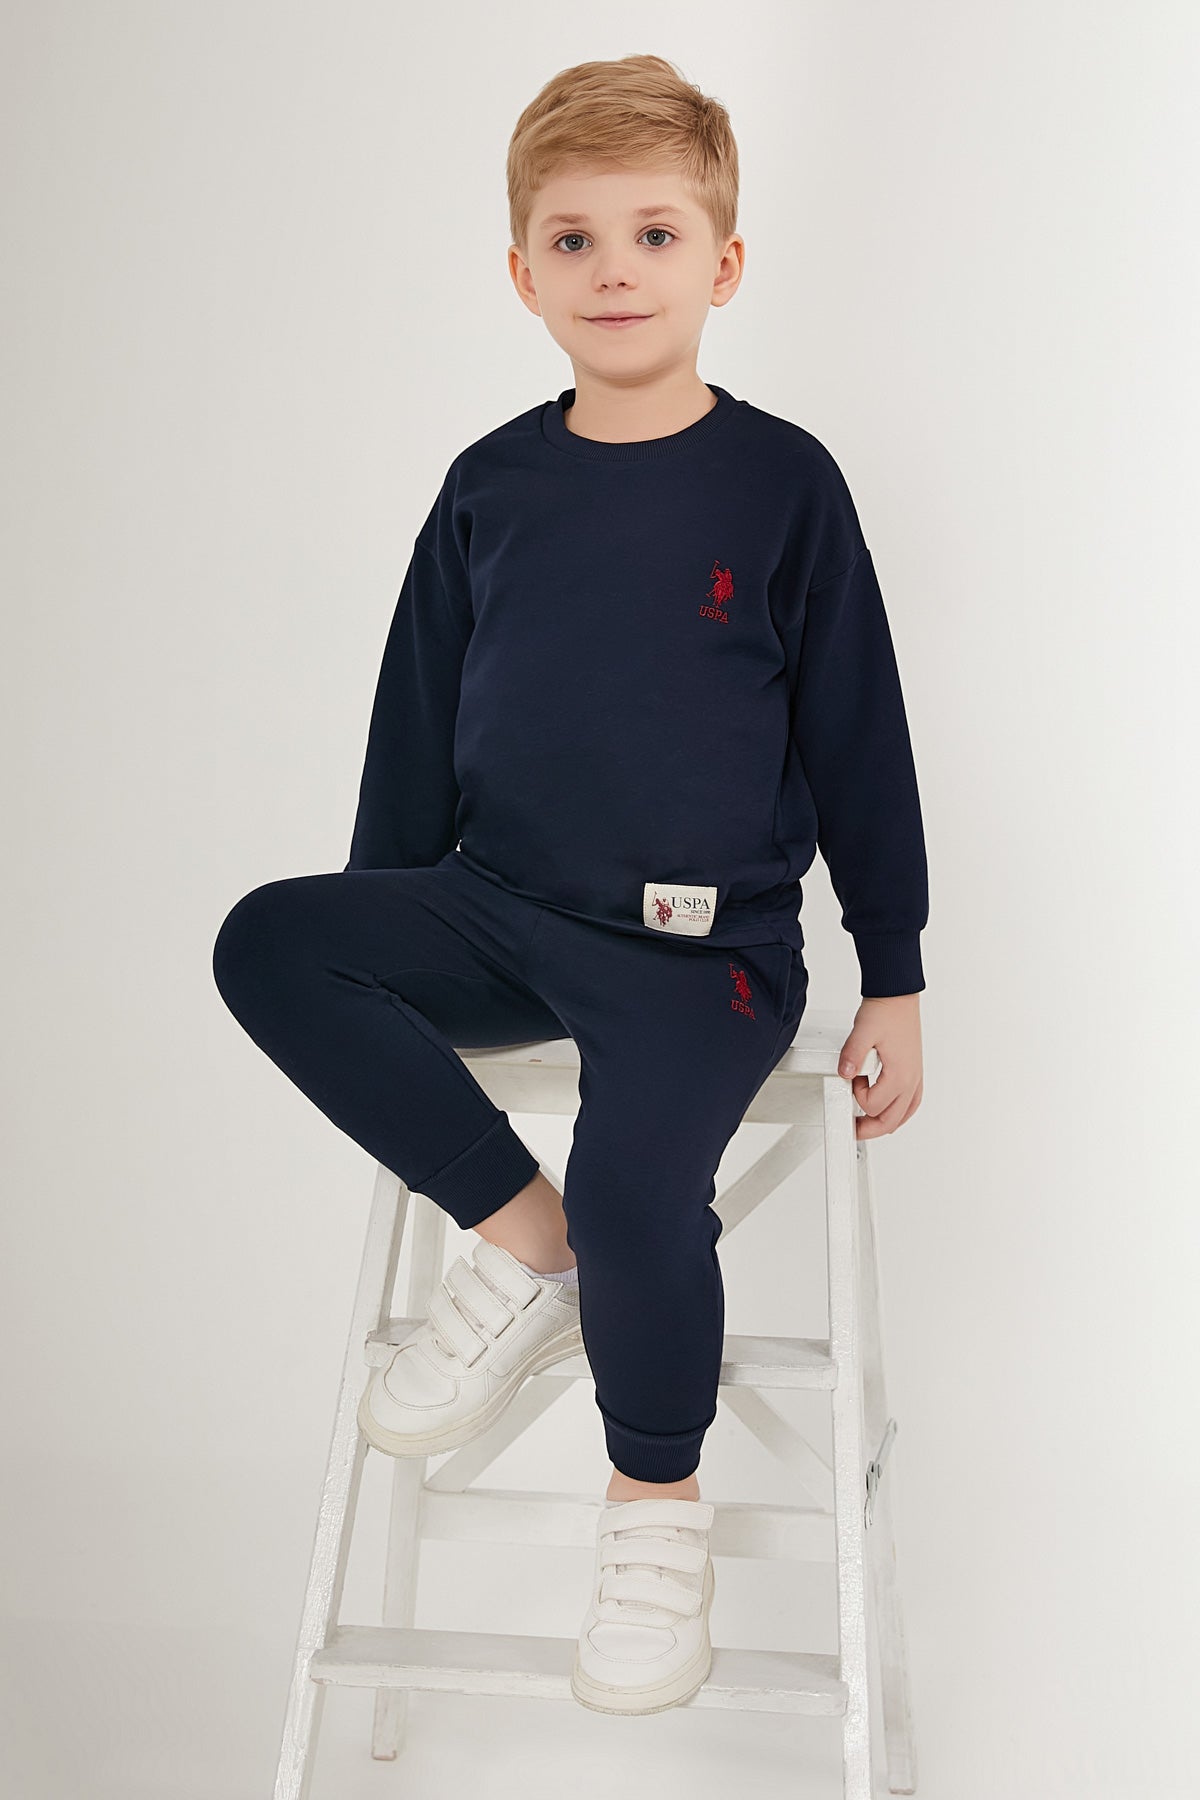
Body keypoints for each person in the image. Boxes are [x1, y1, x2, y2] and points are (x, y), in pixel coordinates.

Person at [211, 52, 929, 1715]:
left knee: (637, 1187)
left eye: (655, 236)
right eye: (576, 240)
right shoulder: (489, 485)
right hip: (500, 909)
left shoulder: (783, 483)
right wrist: (389, 922)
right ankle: (533, 1252)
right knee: (270, 941)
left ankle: (653, 1511)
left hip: (703, 957)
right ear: (522, 272)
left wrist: (892, 970)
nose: (616, 271)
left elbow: (858, 736)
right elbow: (415, 718)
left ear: (722, 264)